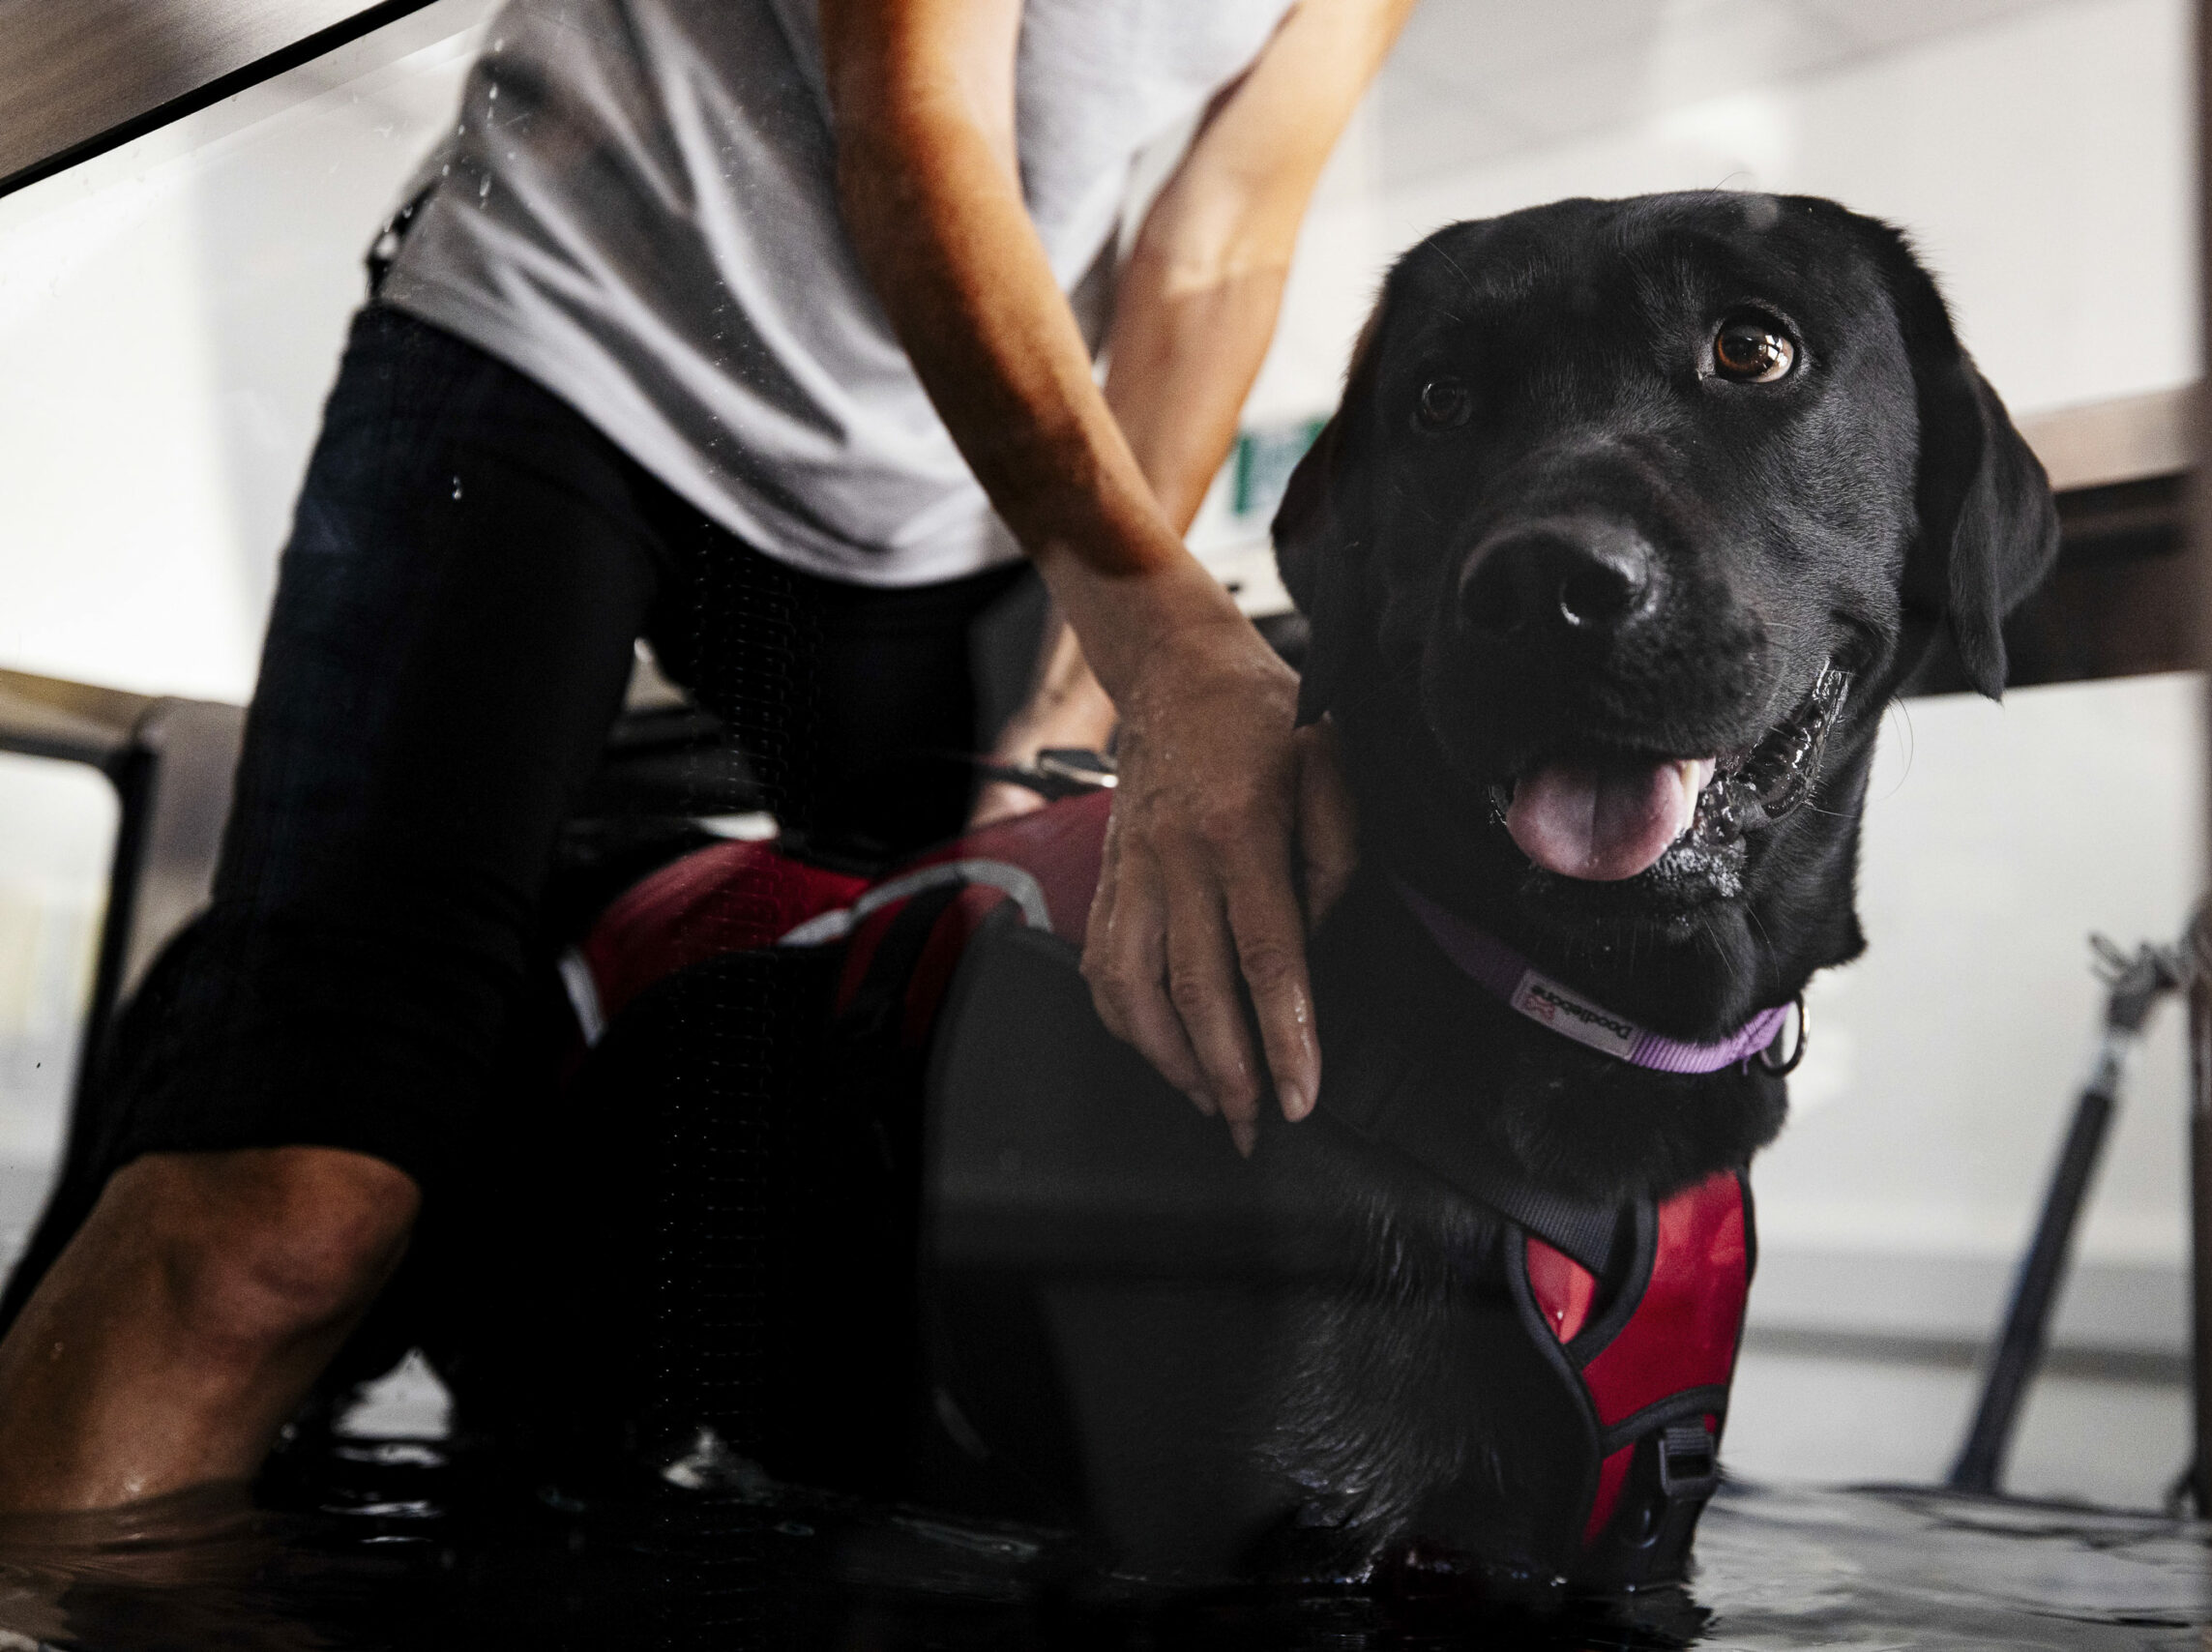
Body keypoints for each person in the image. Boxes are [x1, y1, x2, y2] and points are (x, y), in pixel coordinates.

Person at [0, 0, 1408, 1513]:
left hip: (945, 491)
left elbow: (1220, 245)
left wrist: (1073, 695)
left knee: (918, 1179)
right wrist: (1174, 645)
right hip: (561, 335)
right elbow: (917, 126)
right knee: (288, 1222)